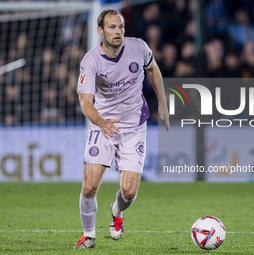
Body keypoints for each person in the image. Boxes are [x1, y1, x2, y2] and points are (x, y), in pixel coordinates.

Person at [74, 9, 170, 249]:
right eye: (112, 27)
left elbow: (153, 70)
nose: (118, 32)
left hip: (134, 125)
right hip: (103, 125)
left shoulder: (139, 47)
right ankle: (89, 234)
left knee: (128, 192)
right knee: (90, 186)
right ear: (100, 31)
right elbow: (85, 103)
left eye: (120, 27)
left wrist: (163, 103)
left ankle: (116, 211)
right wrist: (102, 122)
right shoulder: (91, 60)